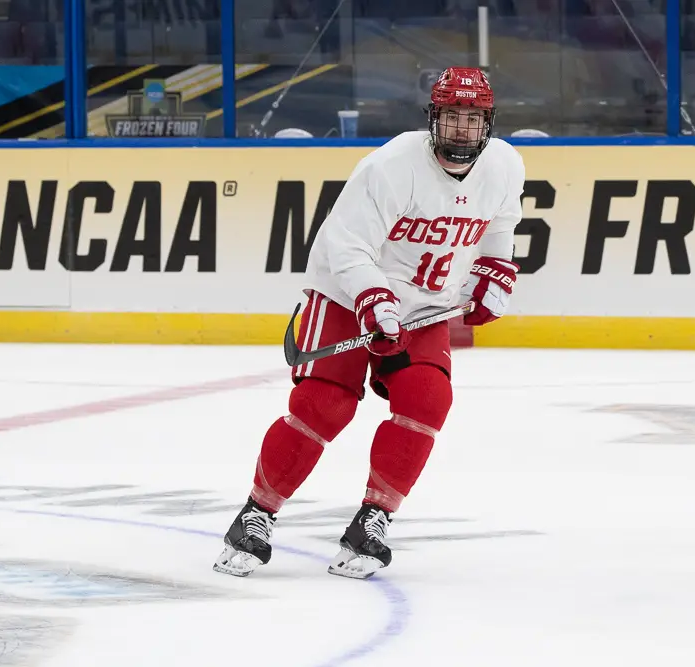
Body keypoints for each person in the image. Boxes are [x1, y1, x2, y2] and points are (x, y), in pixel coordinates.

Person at [214, 66, 526, 579]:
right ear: (433, 119)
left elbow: (499, 227)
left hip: (425, 304)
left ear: (488, 124)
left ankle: (373, 519)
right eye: (451, 117)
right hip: (344, 292)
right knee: (324, 404)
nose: (461, 130)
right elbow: (347, 245)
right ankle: (256, 514)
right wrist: (373, 298)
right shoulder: (392, 165)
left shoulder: (506, 166)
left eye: (472, 120)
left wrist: (497, 271)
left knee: (428, 398)